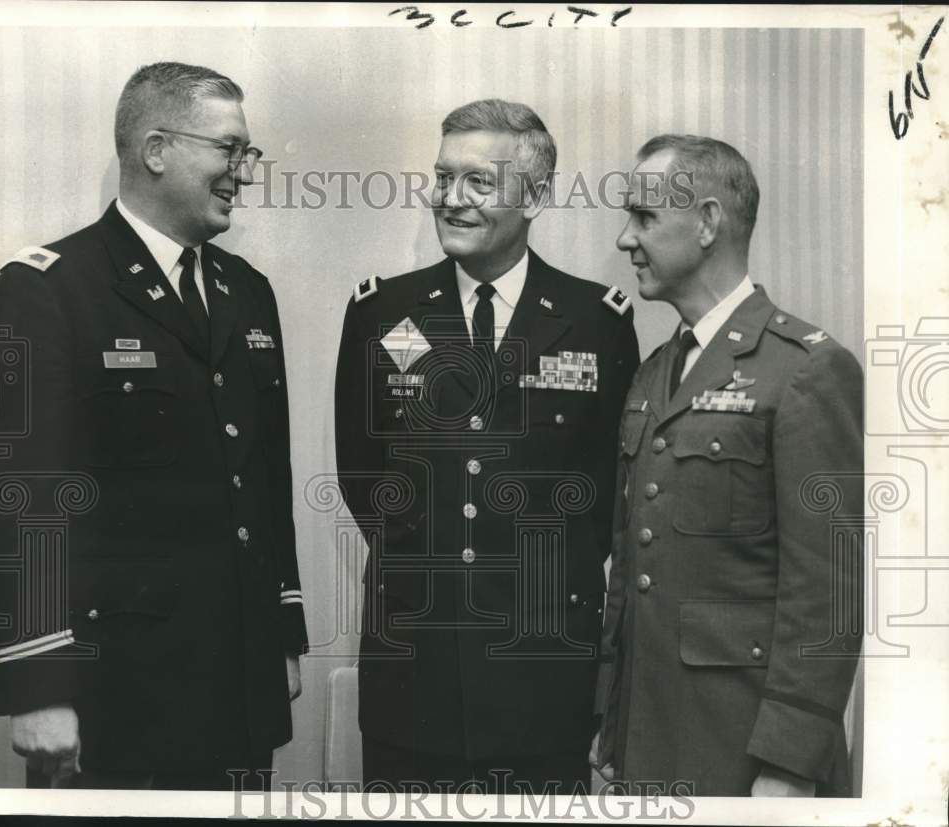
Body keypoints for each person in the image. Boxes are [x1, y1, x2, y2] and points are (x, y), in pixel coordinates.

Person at [0, 62, 307, 790]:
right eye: (229, 149)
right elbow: (21, 497)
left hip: (239, 685)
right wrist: (37, 685)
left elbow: (264, 480)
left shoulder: (246, 293)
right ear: (157, 148)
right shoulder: (47, 290)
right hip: (115, 695)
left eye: (245, 153)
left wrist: (283, 636)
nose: (243, 172)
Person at [334, 99, 639, 794]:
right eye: (443, 178)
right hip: (413, 670)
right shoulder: (381, 313)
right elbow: (363, 479)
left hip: (542, 674)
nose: (451, 198)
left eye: (478, 182)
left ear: (534, 196)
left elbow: (603, 505)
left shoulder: (599, 322)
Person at [593, 134, 863, 797]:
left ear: (708, 222)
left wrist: (790, 764)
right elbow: (628, 574)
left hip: (744, 755)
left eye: (645, 217)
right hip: (645, 741)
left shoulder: (805, 368)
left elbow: (827, 593)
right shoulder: (655, 372)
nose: (626, 240)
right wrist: (608, 720)